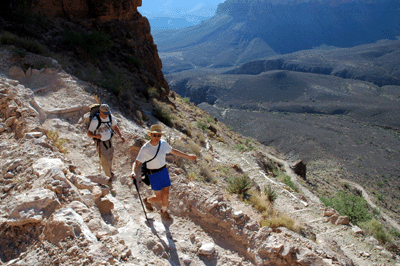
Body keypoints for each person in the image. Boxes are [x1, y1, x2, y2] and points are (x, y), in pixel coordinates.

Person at [131, 124, 197, 220]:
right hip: (153, 174)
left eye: (159, 135)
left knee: (166, 192)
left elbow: (174, 151)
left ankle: (164, 211)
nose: (157, 137)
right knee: (159, 198)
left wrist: (188, 156)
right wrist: (133, 171)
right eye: (155, 135)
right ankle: (147, 200)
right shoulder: (145, 148)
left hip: (163, 171)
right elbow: (136, 162)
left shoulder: (163, 144)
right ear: (151, 135)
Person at [87, 104, 125, 178]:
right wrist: (96, 136)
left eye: (107, 114)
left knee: (110, 156)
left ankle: (109, 170)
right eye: (105, 114)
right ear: (100, 112)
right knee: (105, 160)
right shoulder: (95, 120)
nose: (106, 116)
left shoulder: (110, 117)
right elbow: (89, 133)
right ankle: (108, 177)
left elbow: (114, 126)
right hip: (100, 142)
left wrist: (121, 136)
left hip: (109, 140)